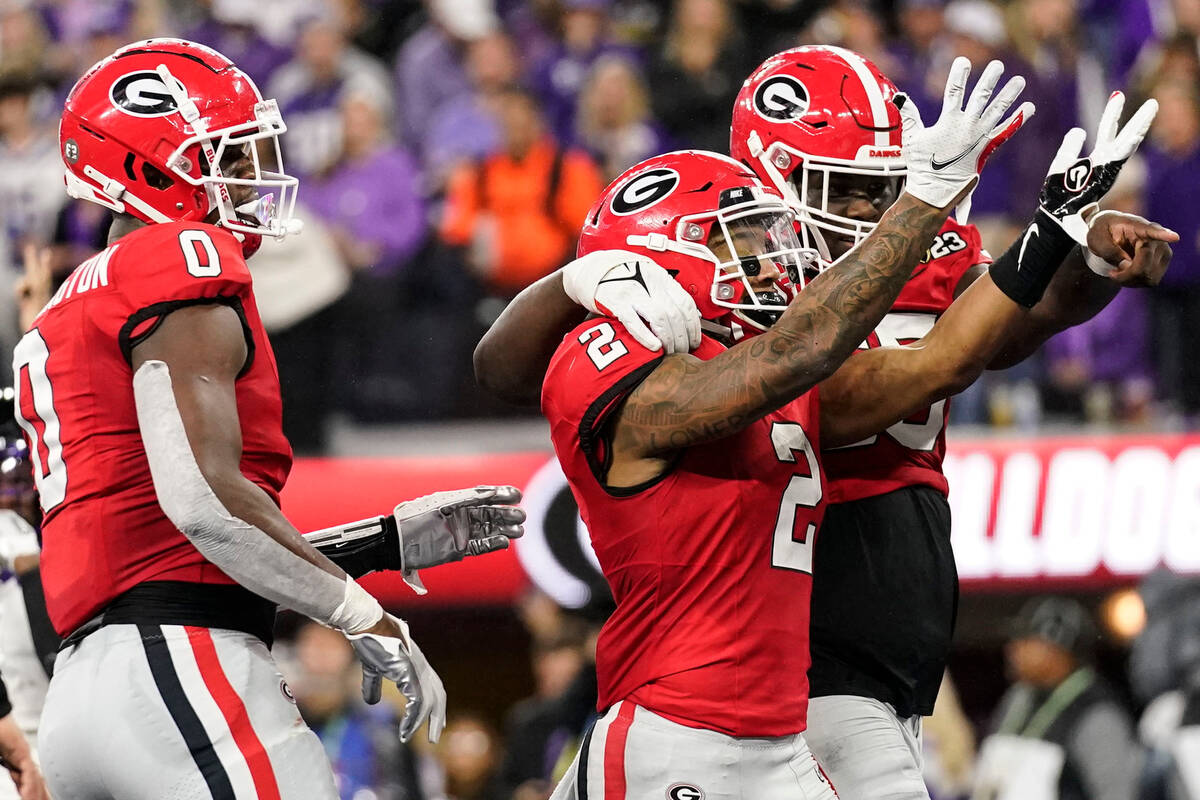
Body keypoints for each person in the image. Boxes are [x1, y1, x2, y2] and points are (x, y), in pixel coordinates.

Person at [476, 47, 1172, 800]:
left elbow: (981, 334)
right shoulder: (681, 332)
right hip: (746, 685)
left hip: (794, 699)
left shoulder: (822, 283)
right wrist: (575, 278)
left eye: (883, 186)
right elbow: (854, 358)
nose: (873, 204)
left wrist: (1073, 250)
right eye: (849, 188)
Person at [17, 39, 524, 799]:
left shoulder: (68, 305)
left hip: (90, 694)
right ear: (148, 168)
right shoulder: (179, 255)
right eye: (227, 156)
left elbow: (164, 544)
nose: (251, 179)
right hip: (178, 669)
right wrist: (364, 617)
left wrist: (379, 542)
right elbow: (202, 504)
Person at [973, 597, 1141, 800]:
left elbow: (1116, 794)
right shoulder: (1018, 698)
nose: (1013, 649)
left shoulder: (1095, 713)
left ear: (1056, 648)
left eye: (1026, 640)